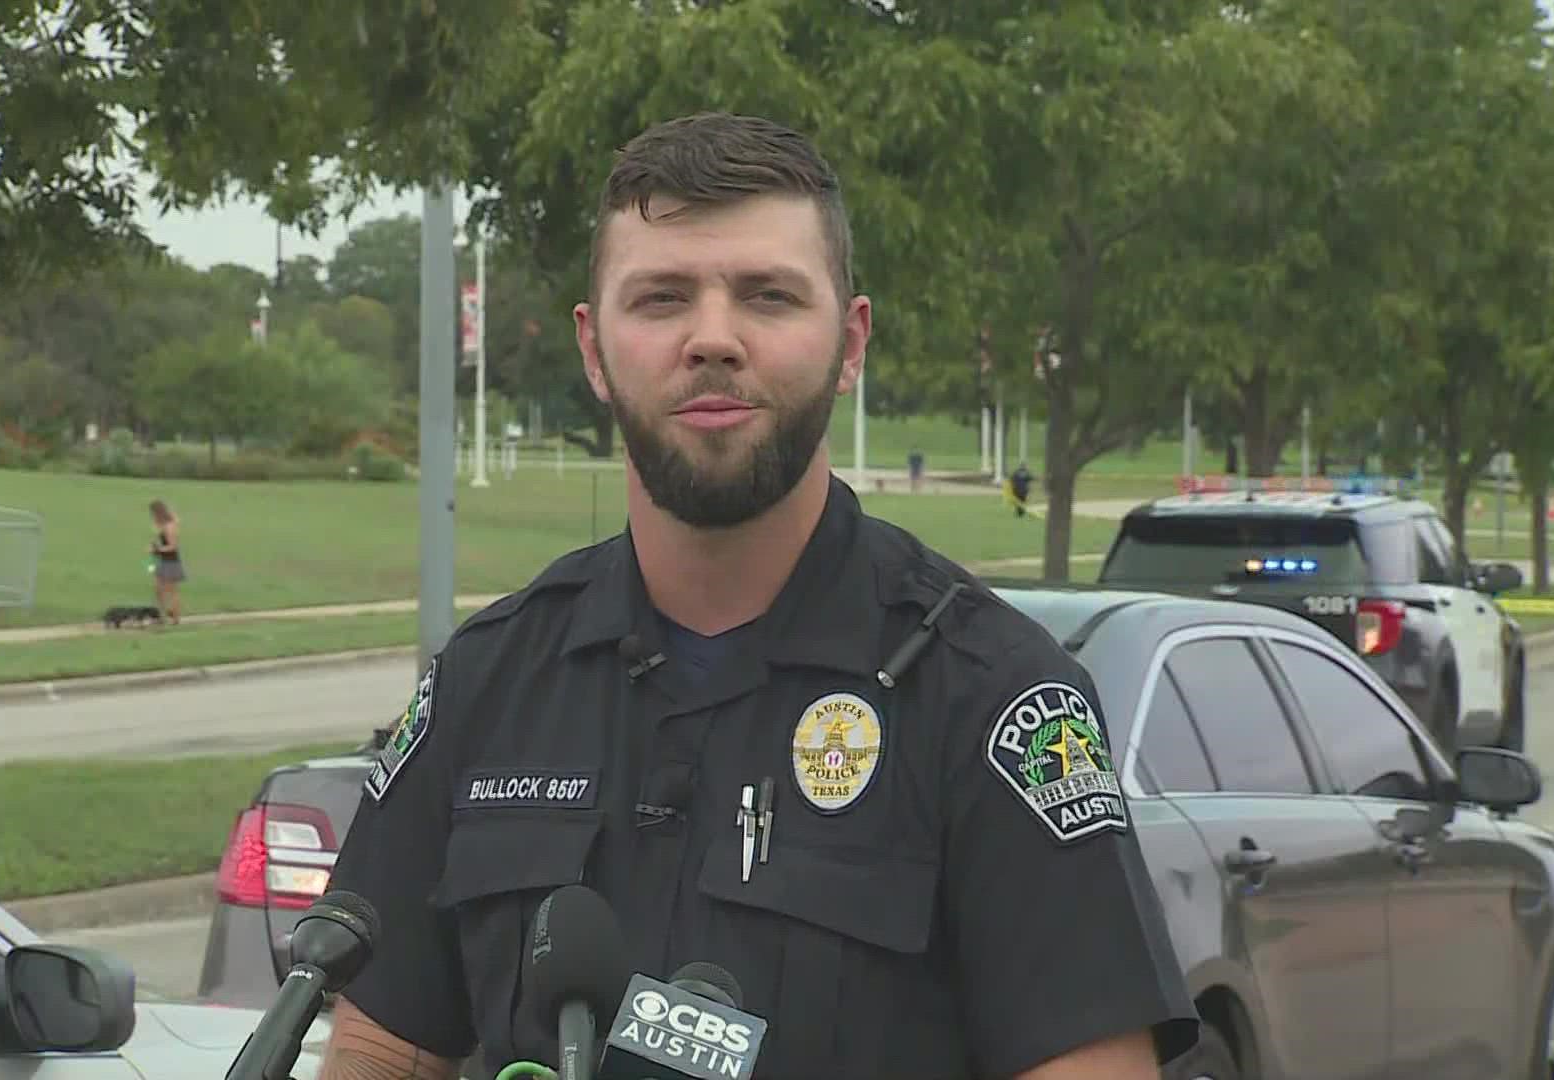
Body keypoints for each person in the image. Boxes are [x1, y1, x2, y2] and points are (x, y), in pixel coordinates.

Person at [318, 112, 1198, 1080]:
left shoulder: (994, 701)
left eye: (768, 297)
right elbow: (380, 1045)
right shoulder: (491, 681)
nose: (713, 339)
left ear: (851, 341)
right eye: (660, 299)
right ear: (594, 349)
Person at [147, 499, 184, 624]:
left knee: (171, 590)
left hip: (171, 561)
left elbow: (173, 546)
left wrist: (157, 549)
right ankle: (162, 616)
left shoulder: (169, 527)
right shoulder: (163, 525)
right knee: (158, 590)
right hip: (162, 560)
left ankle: (176, 617)